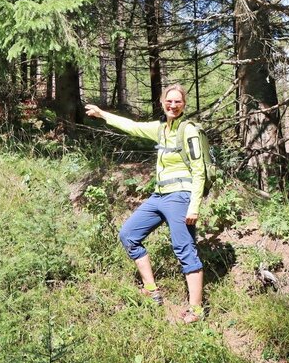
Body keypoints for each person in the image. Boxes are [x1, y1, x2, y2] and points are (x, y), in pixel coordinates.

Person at [85, 84, 205, 323]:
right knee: (129, 234)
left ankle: (197, 311)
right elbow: (132, 126)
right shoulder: (160, 129)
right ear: (162, 102)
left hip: (180, 196)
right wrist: (102, 114)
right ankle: (151, 290)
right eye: (169, 101)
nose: (173, 105)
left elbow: (199, 170)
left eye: (177, 102)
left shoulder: (189, 130)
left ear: (184, 105)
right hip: (159, 196)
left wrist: (194, 206)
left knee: (184, 248)